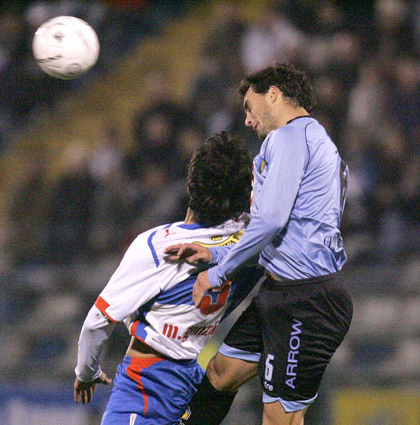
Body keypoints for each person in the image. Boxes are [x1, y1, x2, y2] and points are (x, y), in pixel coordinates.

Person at [166, 63, 353, 425]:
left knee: (280, 419)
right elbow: (277, 231)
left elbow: (271, 221)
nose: (248, 120)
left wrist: (217, 273)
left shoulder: (289, 138)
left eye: (249, 108)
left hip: (307, 302)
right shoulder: (312, 140)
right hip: (281, 294)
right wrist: (216, 252)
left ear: (274, 95)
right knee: (221, 373)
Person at [73, 132, 265, 424]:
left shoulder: (158, 247)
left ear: (191, 184)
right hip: (192, 388)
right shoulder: (254, 240)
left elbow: (97, 323)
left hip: (145, 390)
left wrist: (86, 373)